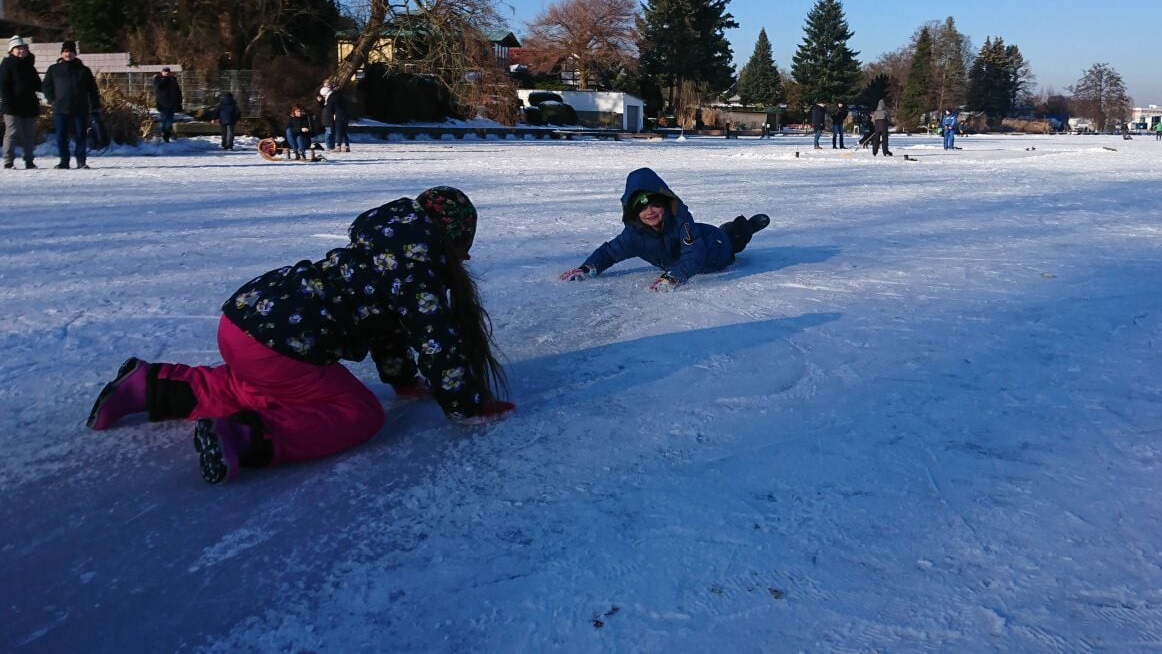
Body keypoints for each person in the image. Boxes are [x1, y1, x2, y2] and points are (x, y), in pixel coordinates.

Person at [87, 187, 515, 484]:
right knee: (358, 413)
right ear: (451, 243)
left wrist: (400, 379)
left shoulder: (386, 248)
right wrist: (467, 406)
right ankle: (246, 437)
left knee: (248, 383)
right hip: (282, 347)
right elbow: (436, 341)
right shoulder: (420, 272)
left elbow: (389, 330)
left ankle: (150, 386)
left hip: (242, 320)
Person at [559, 167, 770, 292]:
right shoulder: (634, 235)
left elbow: (694, 254)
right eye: (642, 208)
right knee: (721, 232)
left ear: (666, 205)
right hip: (702, 237)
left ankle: (748, 226)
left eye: (656, 205)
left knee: (733, 239)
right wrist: (587, 268)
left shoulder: (682, 223)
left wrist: (673, 277)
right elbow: (609, 252)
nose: (650, 212)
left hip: (716, 249)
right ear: (633, 213)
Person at [41, 40, 100, 169]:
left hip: (80, 108)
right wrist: (52, 99)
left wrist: (96, 105)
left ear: (75, 53)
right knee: (61, 137)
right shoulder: (53, 69)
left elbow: (93, 90)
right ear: (62, 53)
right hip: (60, 109)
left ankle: (81, 161)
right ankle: (64, 161)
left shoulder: (83, 70)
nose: (68, 54)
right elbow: (46, 86)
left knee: (81, 136)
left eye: (71, 52)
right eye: (66, 52)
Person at [1, 36, 42, 169]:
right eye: (18, 48)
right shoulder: (7, 64)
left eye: (23, 48)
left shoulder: (29, 65)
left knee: (29, 134)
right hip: (12, 106)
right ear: (11, 50)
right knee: (12, 133)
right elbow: (3, 86)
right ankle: (8, 160)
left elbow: (38, 84)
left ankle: (29, 160)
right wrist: (6, 104)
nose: (21, 50)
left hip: (29, 105)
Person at [153, 66, 183, 142]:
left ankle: (166, 136)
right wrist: (166, 79)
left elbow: (178, 91)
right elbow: (159, 87)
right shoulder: (158, 79)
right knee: (163, 120)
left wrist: (179, 102)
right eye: (165, 71)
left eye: (168, 72)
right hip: (163, 104)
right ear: (162, 72)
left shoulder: (173, 80)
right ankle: (158, 135)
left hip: (172, 104)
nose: (166, 73)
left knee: (169, 121)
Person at [321, 79, 350, 152]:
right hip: (345, 114)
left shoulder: (333, 96)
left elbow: (329, 107)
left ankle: (338, 146)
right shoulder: (342, 94)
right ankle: (346, 145)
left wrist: (331, 113)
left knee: (339, 131)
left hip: (338, 115)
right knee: (343, 131)